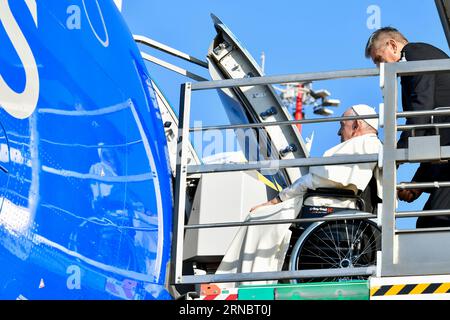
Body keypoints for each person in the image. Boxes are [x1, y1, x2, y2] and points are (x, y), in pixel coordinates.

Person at [215, 105, 382, 287]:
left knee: (258, 217)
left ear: (356, 125)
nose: (338, 132)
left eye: (342, 125)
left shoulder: (359, 145)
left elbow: (312, 181)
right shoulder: (373, 146)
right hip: (338, 211)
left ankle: (244, 281)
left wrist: (276, 200)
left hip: (322, 210)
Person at [365, 27, 450, 228]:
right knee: (429, 224)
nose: (379, 67)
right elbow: (434, 134)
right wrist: (418, 184)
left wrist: (397, 153)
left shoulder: (415, 53)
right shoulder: (417, 59)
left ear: (392, 45)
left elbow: (421, 108)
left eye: (378, 59)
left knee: (434, 223)